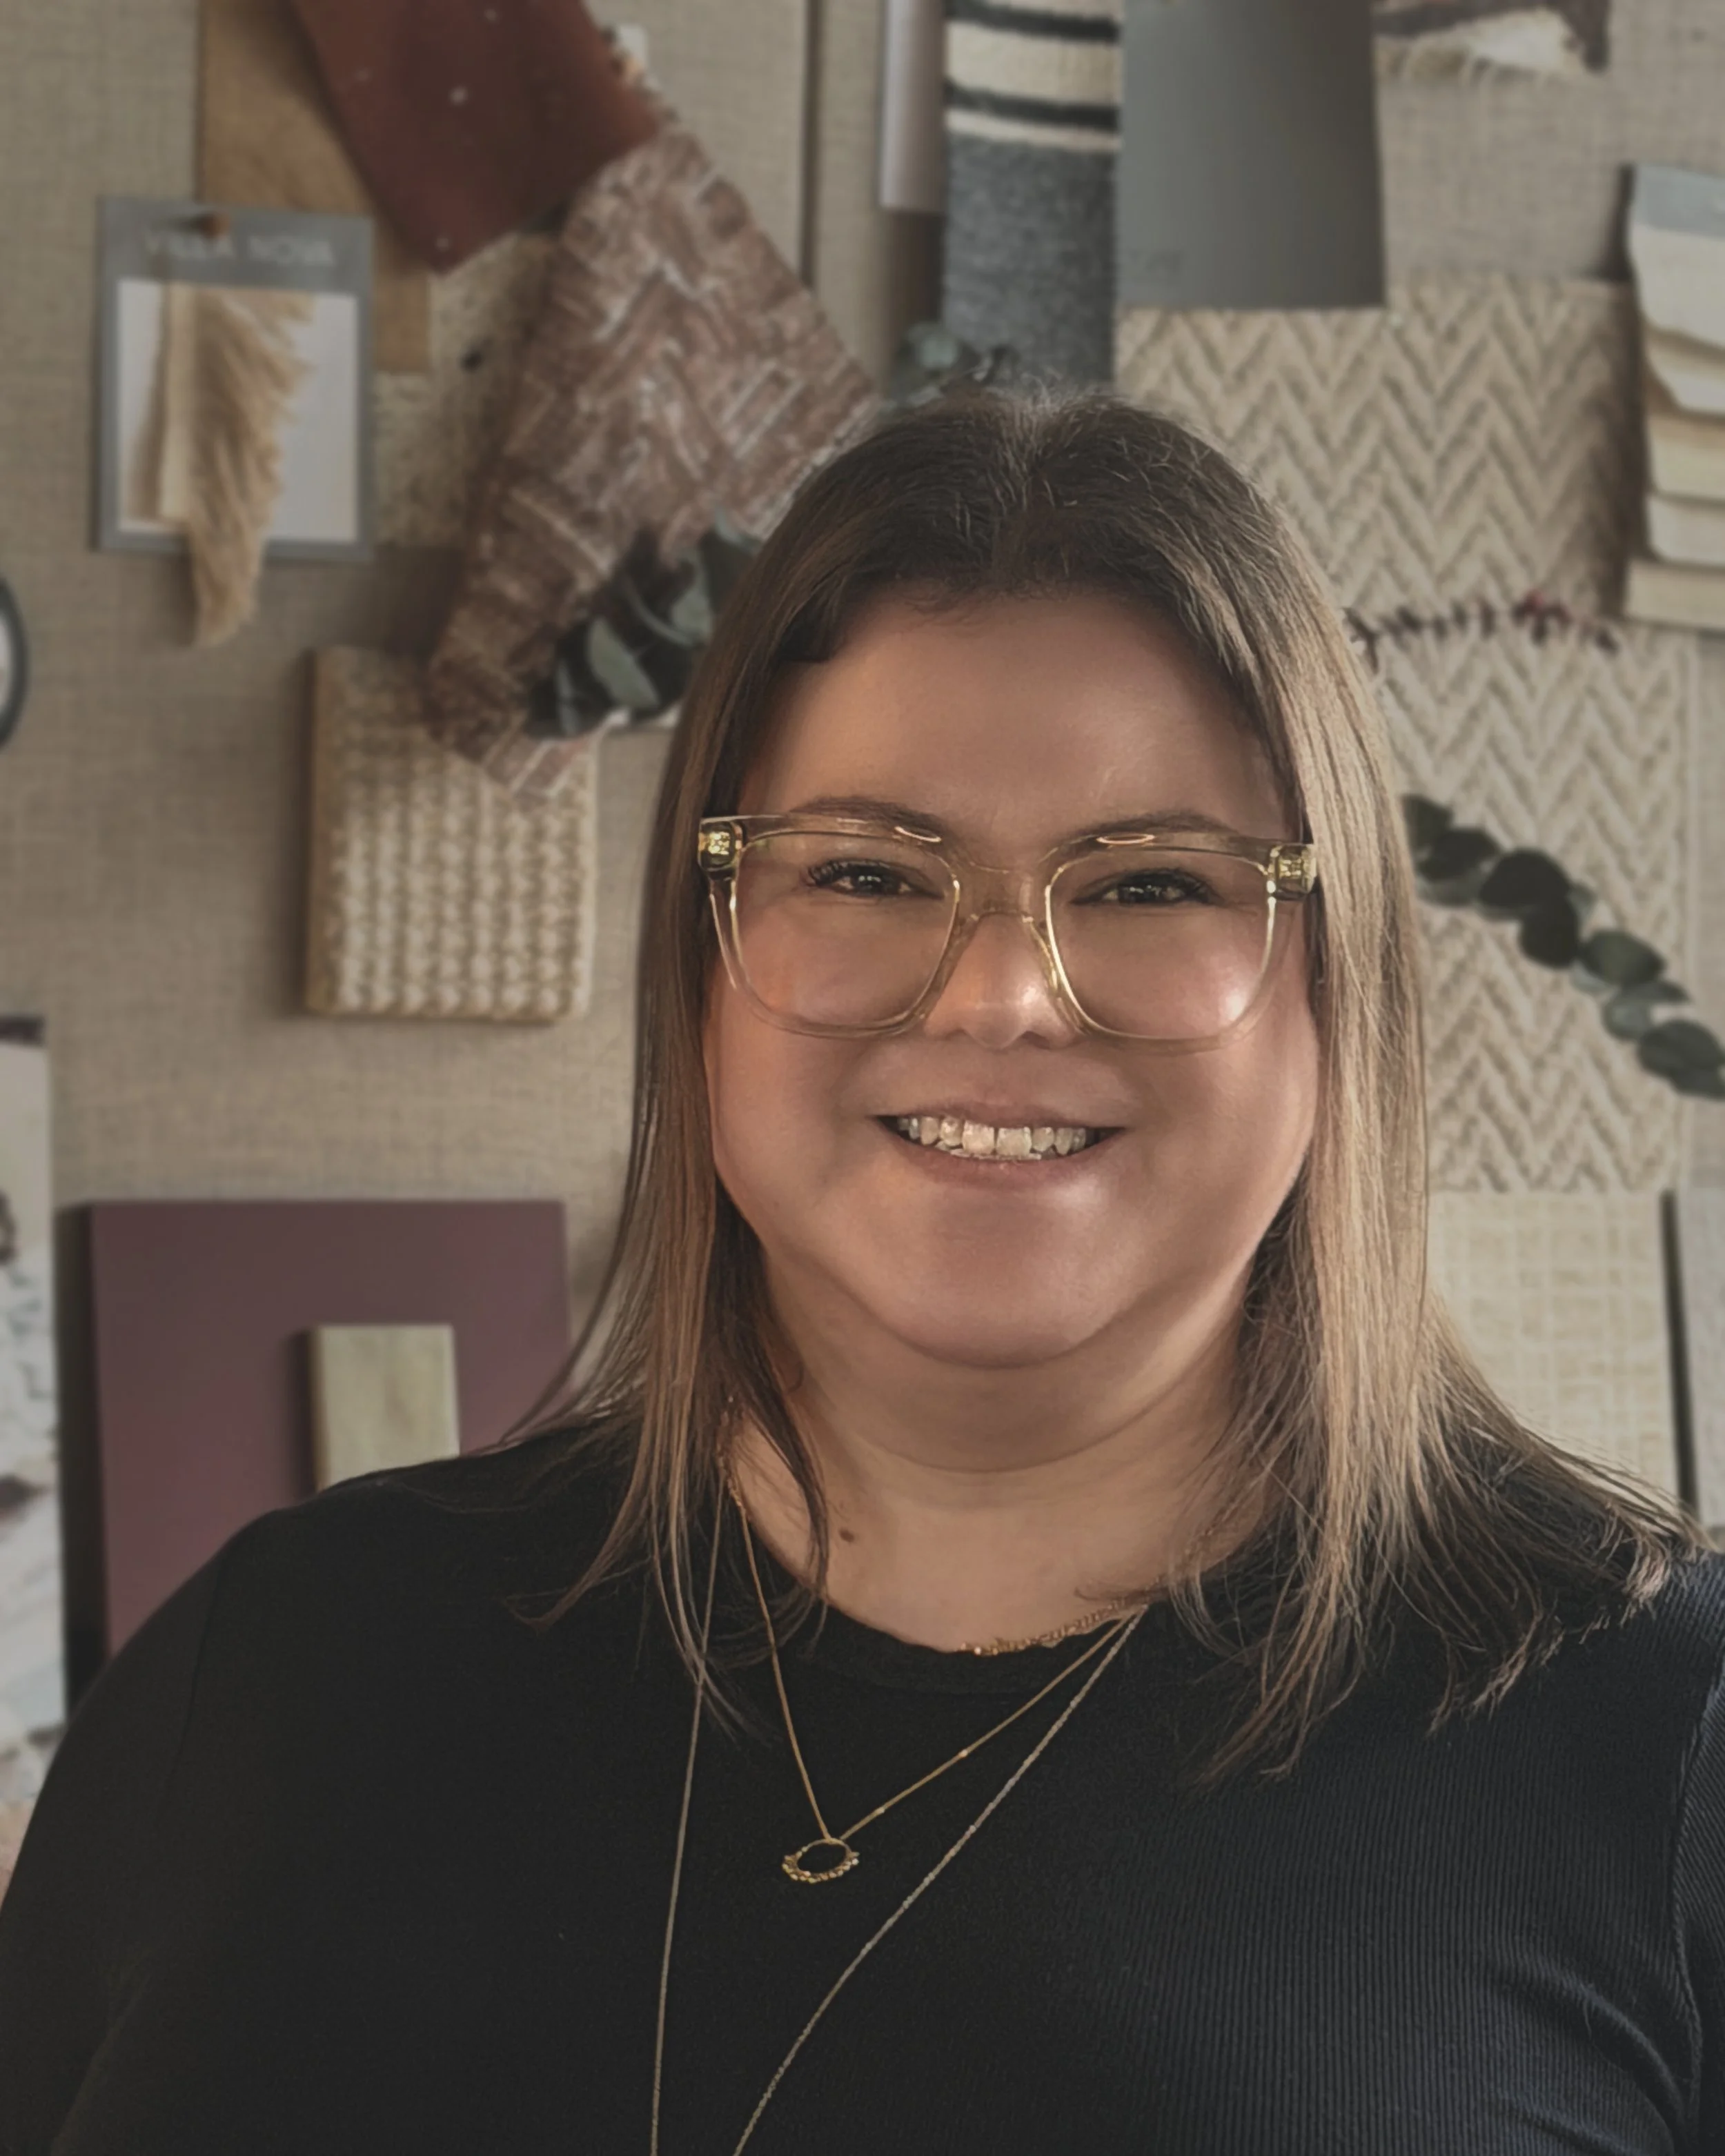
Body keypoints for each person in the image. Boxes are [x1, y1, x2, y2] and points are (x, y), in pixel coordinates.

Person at [1, 389, 1721, 2156]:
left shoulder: (1660, 1740)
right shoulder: (277, 1668)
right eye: (862, 870)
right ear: (701, 962)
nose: (998, 997)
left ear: (1334, 984)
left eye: (1143, 884)